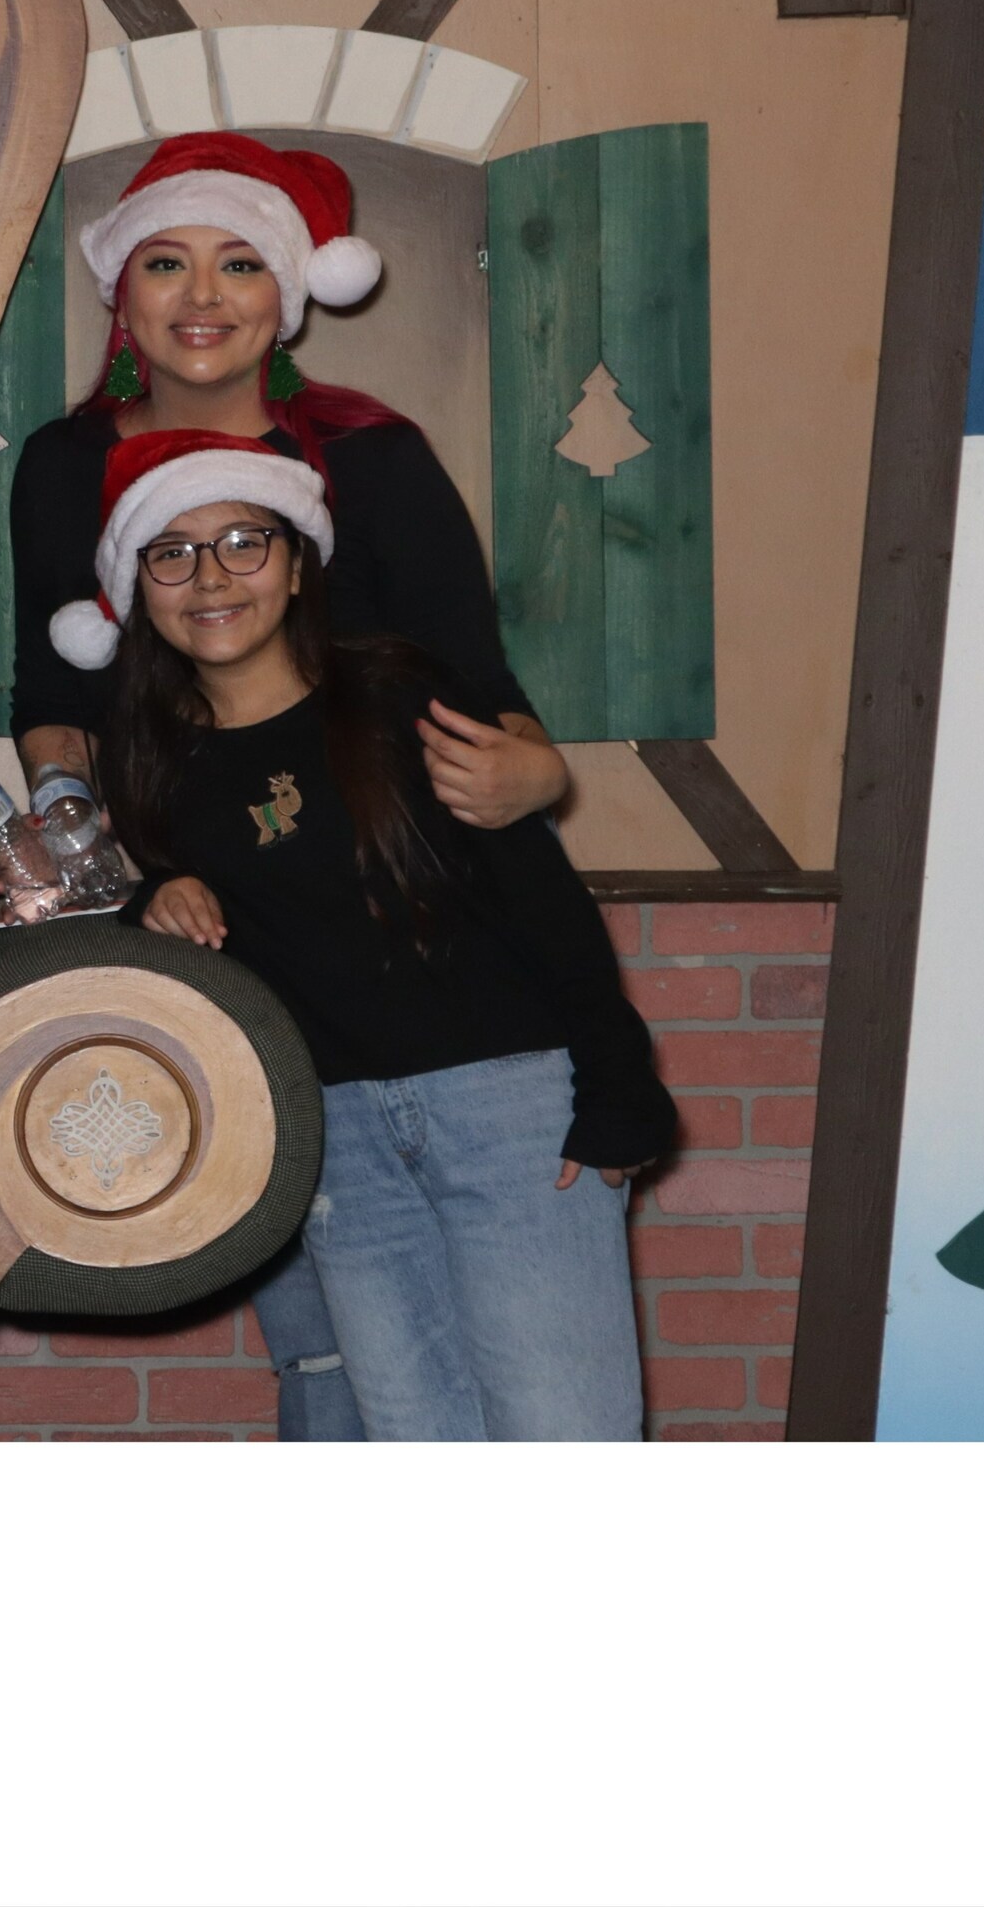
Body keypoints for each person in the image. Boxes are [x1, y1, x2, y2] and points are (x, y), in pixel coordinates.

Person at [12, 129, 564, 1442]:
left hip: (407, 936)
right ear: (121, 288)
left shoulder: (371, 455)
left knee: (505, 1359)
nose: (202, 295)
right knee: (331, 1346)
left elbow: (479, 685)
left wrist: (536, 768)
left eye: (240, 261)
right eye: (167, 261)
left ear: (291, 288)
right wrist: (112, 872)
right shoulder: (60, 464)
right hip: (215, 938)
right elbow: (52, 706)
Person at [60, 430, 676, 1441]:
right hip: (334, 1142)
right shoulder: (148, 758)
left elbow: (536, 888)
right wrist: (154, 900)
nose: (210, 577)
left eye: (243, 542)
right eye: (171, 552)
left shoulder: (399, 692)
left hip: (509, 1111)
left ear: (299, 561)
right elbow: (221, 941)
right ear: (138, 587)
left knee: (563, 1431)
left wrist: (617, 1080)